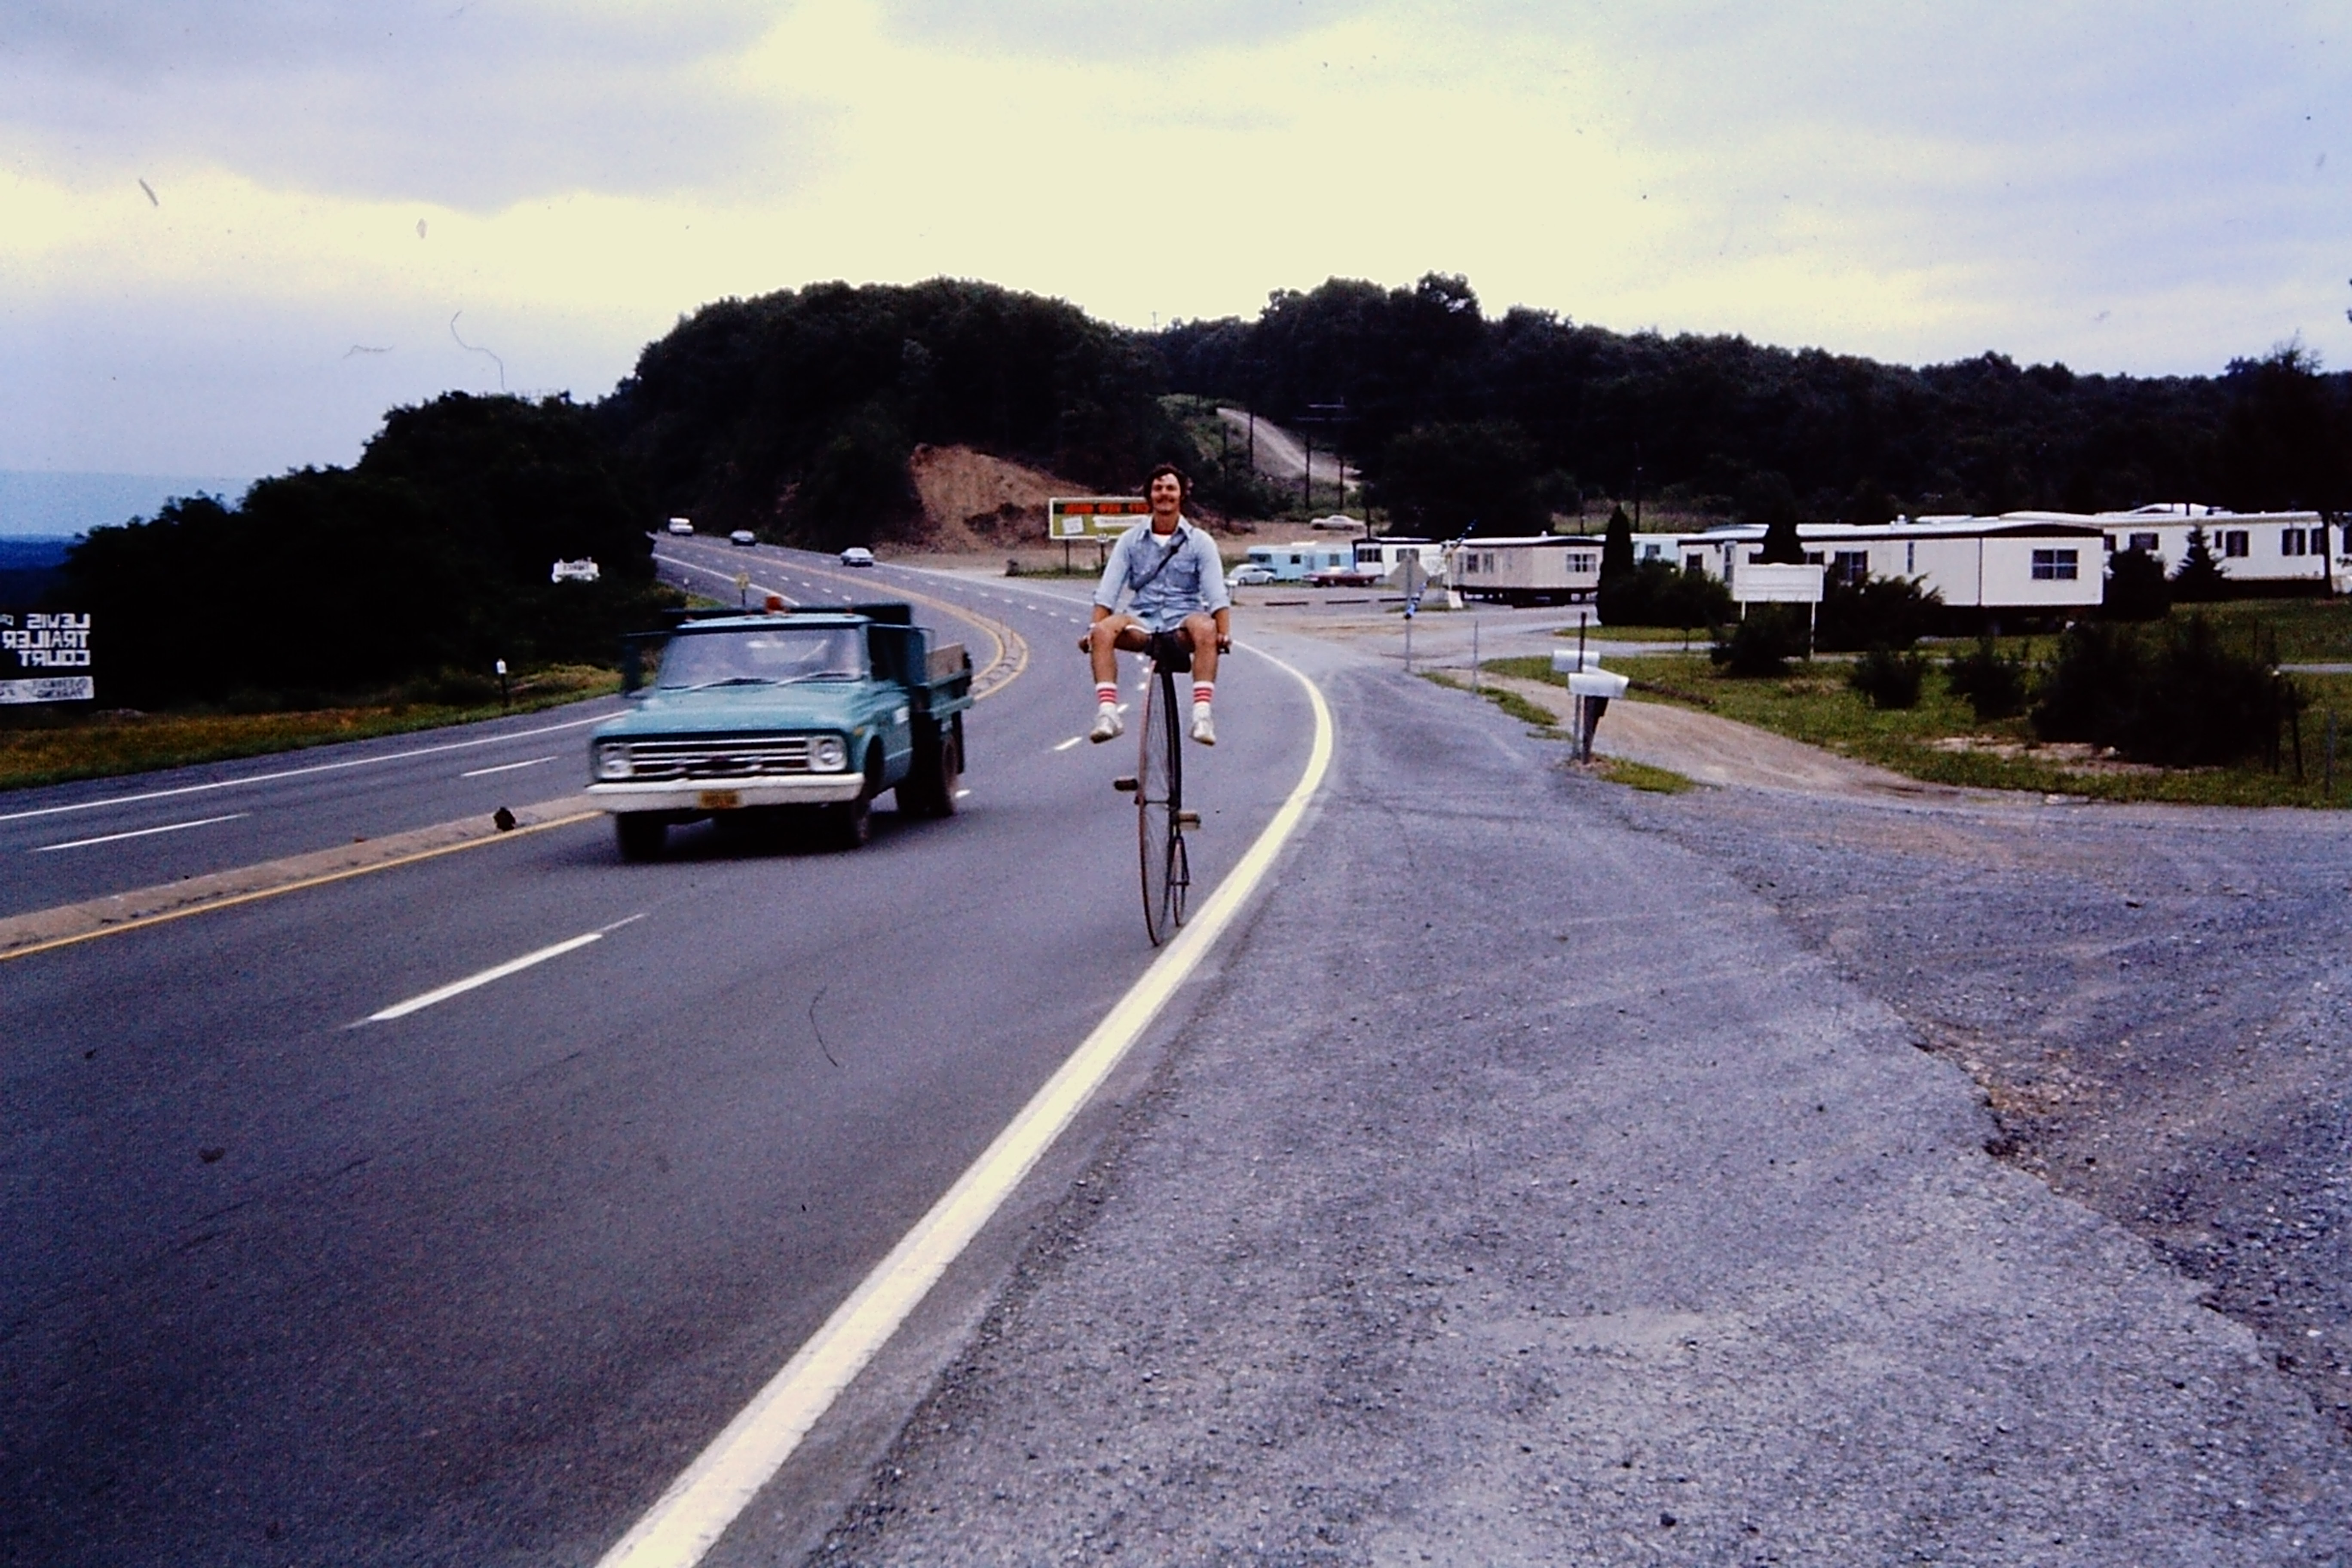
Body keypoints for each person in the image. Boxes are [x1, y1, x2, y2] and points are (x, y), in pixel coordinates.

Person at [1081, 463, 1231, 745]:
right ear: (1149, 496)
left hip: (1183, 618)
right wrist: (1093, 628)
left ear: (1182, 495)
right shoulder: (1130, 541)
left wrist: (1223, 633)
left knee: (1206, 628)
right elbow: (1107, 592)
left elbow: (1216, 595)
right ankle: (1108, 713)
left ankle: (1202, 715)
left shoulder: (1201, 542)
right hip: (1143, 620)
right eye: (1158, 488)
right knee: (1102, 631)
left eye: (1171, 488)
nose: (1165, 494)